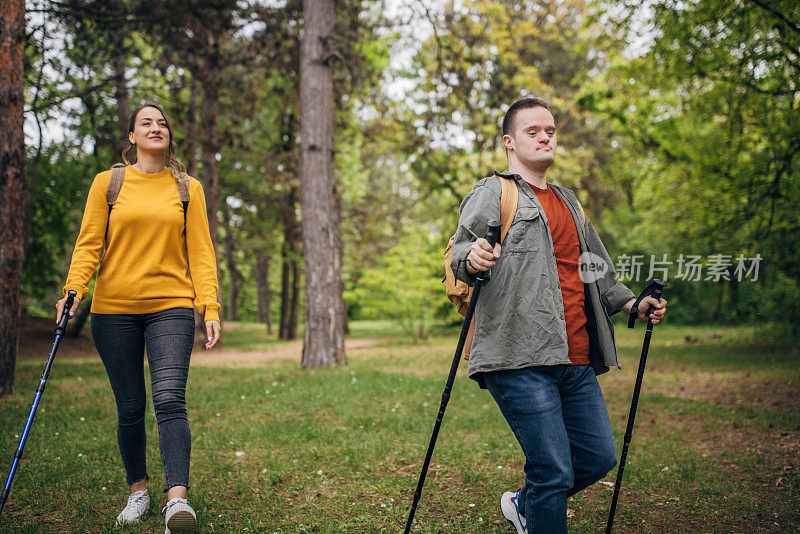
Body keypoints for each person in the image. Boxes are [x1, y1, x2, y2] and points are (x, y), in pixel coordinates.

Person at [450, 97, 667, 534]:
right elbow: (459, 253)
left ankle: (525, 505)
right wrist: (471, 257)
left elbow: (595, 267)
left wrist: (631, 303)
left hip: (576, 356)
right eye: (533, 131)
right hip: (518, 356)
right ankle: (539, 505)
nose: (545, 136)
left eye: (550, 130)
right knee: (553, 470)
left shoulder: (569, 202)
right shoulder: (494, 192)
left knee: (598, 456)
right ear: (510, 142)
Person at [56, 103, 221, 534]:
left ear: (169, 137)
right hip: (114, 311)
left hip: (171, 306)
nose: (155, 127)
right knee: (130, 405)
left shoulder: (188, 188)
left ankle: (176, 503)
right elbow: (89, 243)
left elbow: (202, 252)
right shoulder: (107, 183)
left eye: (162, 123)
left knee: (169, 399)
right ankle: (138, 491)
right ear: (131, 137)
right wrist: (74, 289)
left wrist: (210, 306)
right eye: (145, 122)